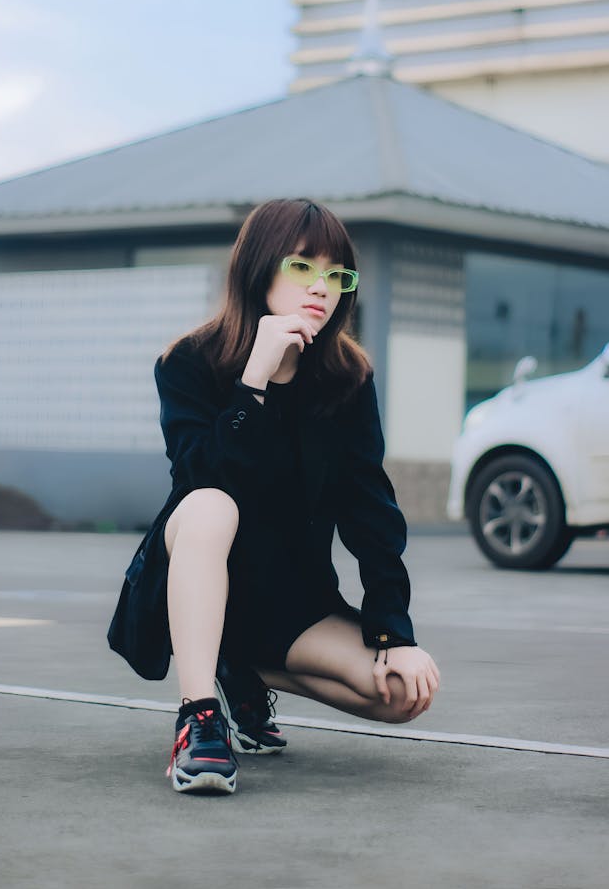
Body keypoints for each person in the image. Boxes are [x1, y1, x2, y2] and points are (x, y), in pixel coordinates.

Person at [108, 197, 440, 795]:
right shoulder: (189, 362)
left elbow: (370, 505)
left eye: (338, 275)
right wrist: (253, 380)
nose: (322, 287)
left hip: (290, 598)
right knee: (212, 504)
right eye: (302, 267)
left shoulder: (346, 377)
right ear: (259, 267)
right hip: (198, 573)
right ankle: (200, 715)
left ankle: (242, 665)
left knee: (400, 694)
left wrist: (395, 632)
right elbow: (197, 475)